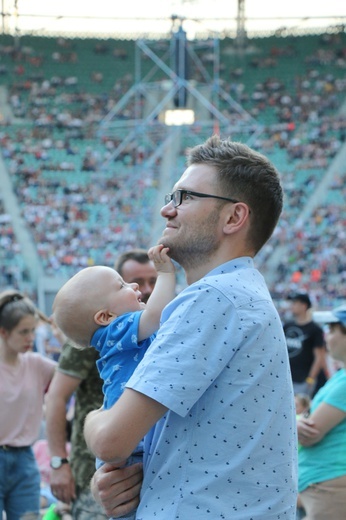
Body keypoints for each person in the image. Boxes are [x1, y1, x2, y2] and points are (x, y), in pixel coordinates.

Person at [85, 135, 298, 519]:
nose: (167, 209)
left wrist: (90, 421)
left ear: (234, 217)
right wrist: (123, 480)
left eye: (185, 197)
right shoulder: (239, 293)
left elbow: (110, 440)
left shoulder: (215, 297)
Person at [52, 245, 176, 520]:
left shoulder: (116, 332)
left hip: (128, 443)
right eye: (122, 285)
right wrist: (166, 273)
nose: (136, 287)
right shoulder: (118, 330)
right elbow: (156, 315)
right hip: (128, 447)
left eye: (152, 281)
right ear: (106, 316)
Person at [0, 289, 56, 520]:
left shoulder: (36, 364)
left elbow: (72, 374)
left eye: (33, 331)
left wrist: (61, 331)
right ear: (3, 332)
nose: (30, 338)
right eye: (23, 332)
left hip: (25, 460)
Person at [297, 304, 346, 519]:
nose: (326, 337)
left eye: (332, 330)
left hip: (329, 485)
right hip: (322, 483)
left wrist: (293, 422)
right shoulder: (340, 377)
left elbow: (309, 434)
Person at [284, 293, 330, 396]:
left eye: (295, 303)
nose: (292, 306)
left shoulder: (315, 330)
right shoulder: (287, 326)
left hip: (302, 381)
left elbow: (319, 357)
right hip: (286, 377)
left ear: (304, 306)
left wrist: (310, 379)